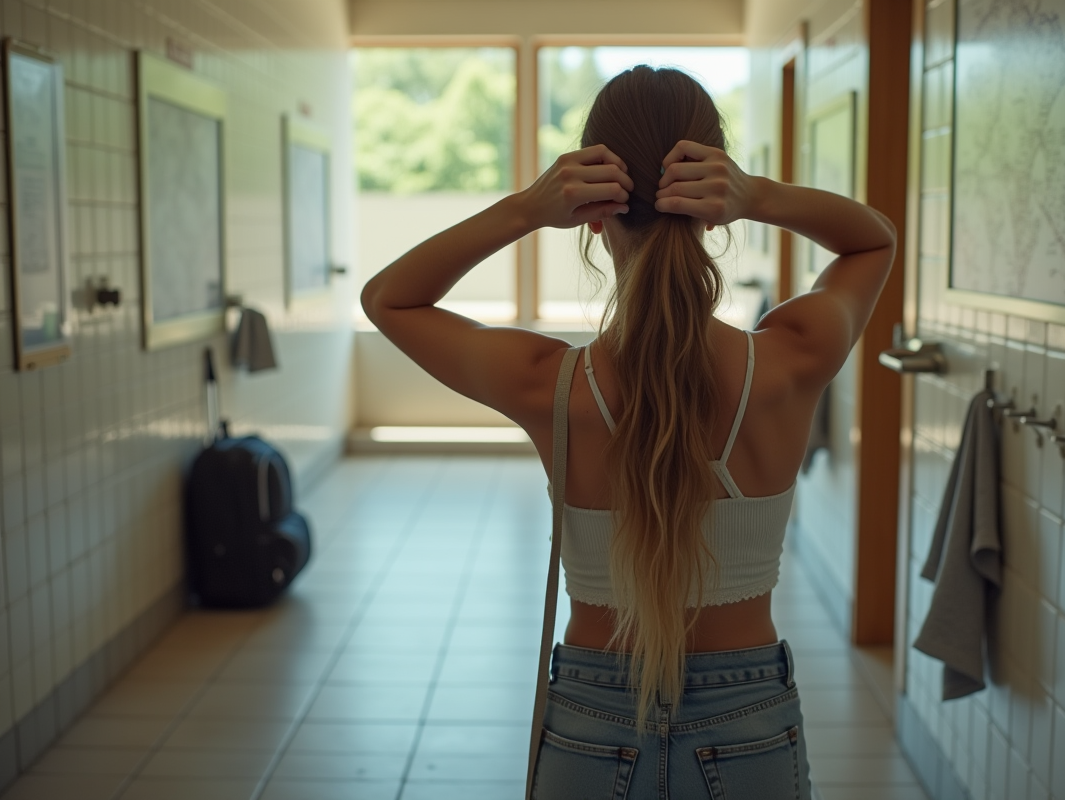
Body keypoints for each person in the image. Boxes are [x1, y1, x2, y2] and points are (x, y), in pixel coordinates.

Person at [361, 65, 895, 800]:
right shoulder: (789, 360)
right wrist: (759, 195)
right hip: (748, 718)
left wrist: (523, 209)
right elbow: (873, 244)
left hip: (592, 711)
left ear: (590, 212)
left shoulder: (546, 382)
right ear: (714, 210)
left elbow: (389, 298)